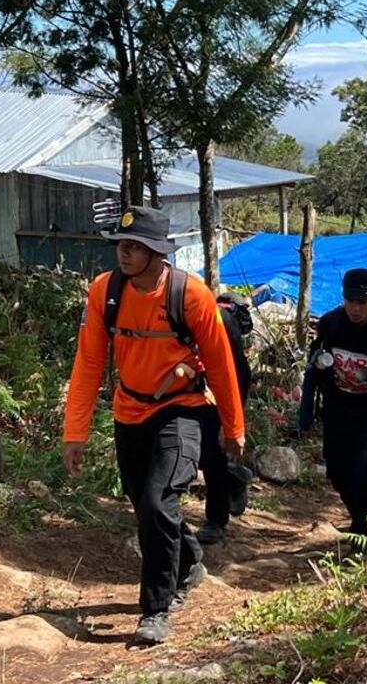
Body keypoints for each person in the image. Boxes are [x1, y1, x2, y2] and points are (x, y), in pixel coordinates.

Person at [62, 206, 245, 645]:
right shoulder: (105, 292)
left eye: (133, 247)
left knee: (160, 500)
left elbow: (221, 364)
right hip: (129, 412)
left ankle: (155, 610)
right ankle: (188, 561)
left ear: (157, 253)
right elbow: (89, 361)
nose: (123, 254)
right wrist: (75, 431)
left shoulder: (192, 296)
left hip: (181, 409)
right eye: (120, 245)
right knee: (144, 507)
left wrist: (232, 426)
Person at [298, 268, 367, 536]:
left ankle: (362, 530)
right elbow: (313, 369)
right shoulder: (331, 323)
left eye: (362, 302)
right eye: (350, 300)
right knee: (336, 473)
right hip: (337, 409)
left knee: (363, 474)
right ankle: (363, 514)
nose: (355, 308)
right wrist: (304, 414)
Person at [196, 292, 254, 545]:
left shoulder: (221, 321)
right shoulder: (199, 313)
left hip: (218, 395)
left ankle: (216, 520)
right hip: (198, 391)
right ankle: (235, 477)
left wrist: (230, 421)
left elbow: (239, 373)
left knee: (212, 456)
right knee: (204, 455)